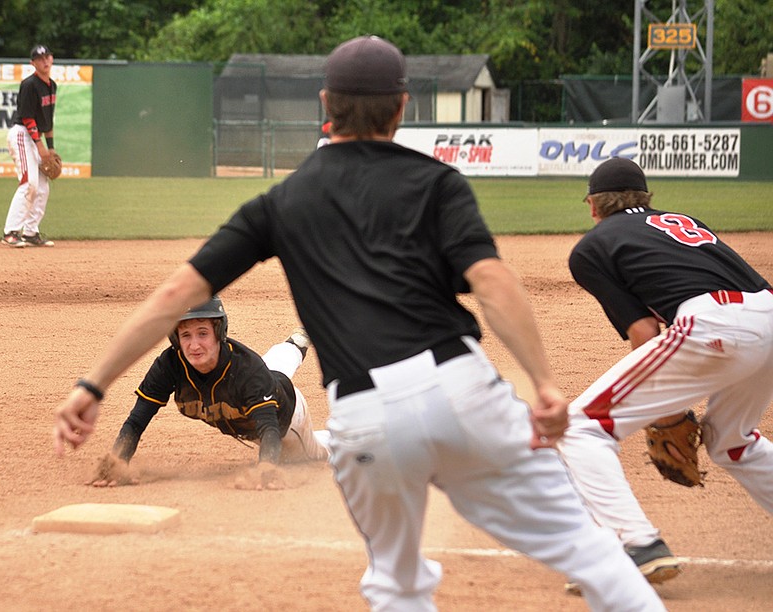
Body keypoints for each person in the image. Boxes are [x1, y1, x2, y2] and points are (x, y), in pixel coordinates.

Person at [54, 36, 665, 611]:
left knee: (396, 583)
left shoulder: (280, 203)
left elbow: (175, 294)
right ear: (402, 106)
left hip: (365, 415)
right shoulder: (438, 183)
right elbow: (495, 284)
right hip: (462, 389)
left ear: (326, 106)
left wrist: (93, 384)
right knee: (584, 546)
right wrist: (546, 384)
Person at [557, 156, 773, 592]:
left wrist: (667, 413)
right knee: (732, 441)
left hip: (714, 325)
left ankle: (636, 545)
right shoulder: (681, 221)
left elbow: (644, 330)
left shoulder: (591, 247)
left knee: (580, 427)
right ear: (646, 199)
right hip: (768, 316)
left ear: (594, 206)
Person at [88, 295, 329, 490]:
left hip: (287, 418)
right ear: (176, 338)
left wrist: (266, 468)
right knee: (271, 370)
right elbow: (137, 420)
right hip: (263, 382)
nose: (194, 345)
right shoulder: (170, 365)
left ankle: (349, 434)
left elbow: (269, 428)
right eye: (185, 335)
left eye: (202, 333)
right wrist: (118, 462)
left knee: (314, 452)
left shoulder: (248, 370)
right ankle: (300, 338)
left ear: (219, 333)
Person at [2, 44, 57, 248]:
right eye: (39, 58)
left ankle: (30, 232)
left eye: (47, 56)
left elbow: (48, 121)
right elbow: (27, 118)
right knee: (29, 183)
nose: (44, 60)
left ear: (52, 59)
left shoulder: (52, 85)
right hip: (22, 135)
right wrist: (40, 147)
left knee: (42, 188)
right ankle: (10, 232)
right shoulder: (29, 85)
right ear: (32, 63)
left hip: (36, 138)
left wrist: (50, 148)